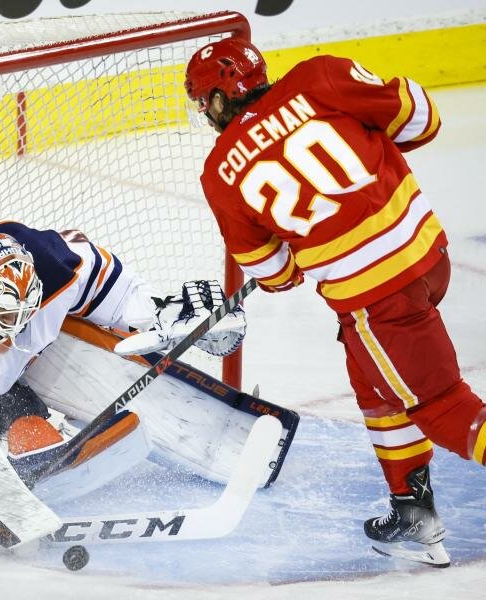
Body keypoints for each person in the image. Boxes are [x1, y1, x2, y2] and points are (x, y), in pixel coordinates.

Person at [184, 37, 486, 566]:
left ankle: (414, 505)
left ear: (214, 100)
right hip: (429, 258)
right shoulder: (319, 77)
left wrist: (305, 242)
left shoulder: (220, 173)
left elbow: (275, 277)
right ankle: (412, 507)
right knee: (368, 372)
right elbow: (423, 119)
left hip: (379, 301)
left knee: (441, 407)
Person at [0, 215, 247, 550]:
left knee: (74, 322)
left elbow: (120, 295)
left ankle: (20, 419)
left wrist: (164, 312)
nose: (16, 324)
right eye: (5, 313)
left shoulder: (56, 262)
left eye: (25, 310)